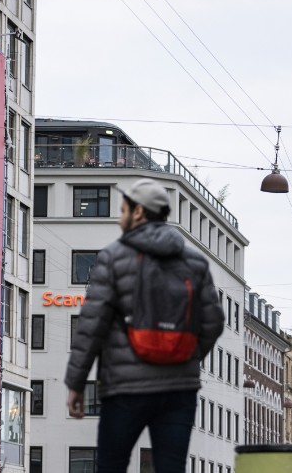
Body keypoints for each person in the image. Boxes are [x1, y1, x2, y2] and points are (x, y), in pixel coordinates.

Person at [64, 179, 224, 473]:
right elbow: (214, 322)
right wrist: (184, 355)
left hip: (125, 388)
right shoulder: (196, 262)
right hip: (179, 390)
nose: (119, 216)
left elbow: (91, 325)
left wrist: (75, 384)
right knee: (171, 468)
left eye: (123, 209)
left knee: (112, 466)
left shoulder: (113, 257)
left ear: (139, 212)